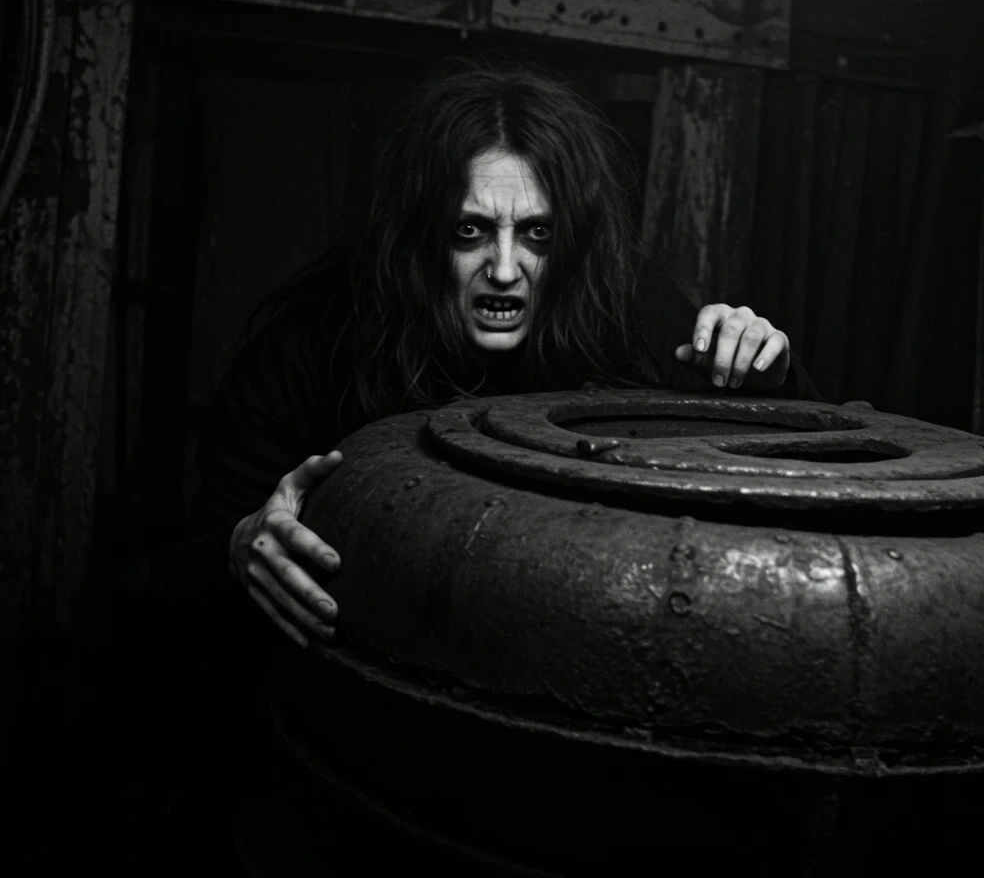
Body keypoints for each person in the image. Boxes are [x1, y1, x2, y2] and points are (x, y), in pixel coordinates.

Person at [184, 61, 818, 655]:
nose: (506, 270)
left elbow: (799, 462)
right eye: (471, 231)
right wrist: (241, 545)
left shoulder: (622, 298)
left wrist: (767, 371)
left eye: (537, 233)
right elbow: (199, 548)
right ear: (421, 233)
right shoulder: (319, 334)